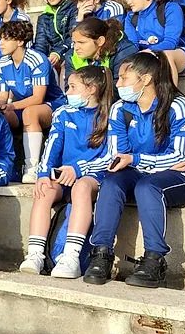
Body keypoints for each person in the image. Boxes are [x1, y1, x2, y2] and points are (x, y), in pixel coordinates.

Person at [84, 52, 185, 288]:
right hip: (145, 170)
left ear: (146, 79)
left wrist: (136, 159)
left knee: (148, 186)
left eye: (124, 78)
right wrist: (139, 161)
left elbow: (181, 156)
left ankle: (154, 259)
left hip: (181, 176)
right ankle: (101, 253)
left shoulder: (178, 105)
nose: (119, 84)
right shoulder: (120, 108)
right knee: (111, 182)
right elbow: (117, 154)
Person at [19, 65, 114, 278]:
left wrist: (80, 168)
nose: (67, 93)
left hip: (95, 177)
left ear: (91, 89)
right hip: (65, 176)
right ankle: (35, 255)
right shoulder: (63, 113)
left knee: (81, 188)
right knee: (44, 189)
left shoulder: (111, 114)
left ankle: (71, 256)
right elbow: (51, 148)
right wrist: (43, 174)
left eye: (72, 87)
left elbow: (111, 157)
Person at [0, 21, 66, 183]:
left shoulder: (37, 59)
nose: (0, 43)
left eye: (5, 39)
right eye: (0, 39)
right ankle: (3, 165)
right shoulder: (3, 62)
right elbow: (1, 96)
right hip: (21, 105)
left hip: (52, 104)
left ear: (20, 41)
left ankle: (32, 167)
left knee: (30, 113)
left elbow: (38, 98)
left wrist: (11, 106)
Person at [60, 17, 138, 90]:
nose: (76, 48)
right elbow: (70, 87)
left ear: (100, 41)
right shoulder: (72, 56)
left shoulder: (124, 50)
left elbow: (121, 87)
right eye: (74, 42)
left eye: (82, 42)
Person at [34, 0, 78, 71]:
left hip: (71, 52)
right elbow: (40, 44)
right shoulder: (43, 17)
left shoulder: (73, 9)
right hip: (53, 57)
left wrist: (58, 53)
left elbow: (72, 37)